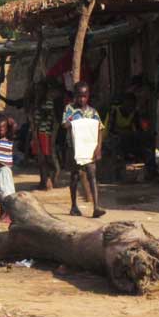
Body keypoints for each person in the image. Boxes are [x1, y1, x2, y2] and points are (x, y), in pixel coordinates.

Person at [62, 82, 105, 218]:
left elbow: (99, 129)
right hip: (73, 148)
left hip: (89, 148)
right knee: (74, 176)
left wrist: (98, 147)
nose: (82, 99)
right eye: (79, 96)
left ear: (88, 96)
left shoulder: (92, 112)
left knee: (92, 175)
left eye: (84, 96)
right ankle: (74, 205)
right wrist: (74, 123)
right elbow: (64, 124)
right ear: (75, 96)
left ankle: (96, 206)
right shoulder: (69, 109)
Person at [104, 92, 157, 180]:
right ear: (123, 103)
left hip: (126, 139)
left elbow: (138, 130)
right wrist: (126, 132)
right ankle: (117, 173)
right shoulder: (114, 111)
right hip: (110, 139)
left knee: (145, 144)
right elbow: (111, 130)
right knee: (118, 143)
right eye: (128, 105)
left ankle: (151, 171)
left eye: (132, 106)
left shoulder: (134, 113)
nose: (130, 108)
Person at [31, 79, 59, 190]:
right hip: (37, 133)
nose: (38, 92)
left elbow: (47, 115)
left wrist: (36, 108)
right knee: (40, 158)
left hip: (44, 133)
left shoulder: (47, 101)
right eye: (37, 90)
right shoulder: (37, 101)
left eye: (40, 90)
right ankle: (43, 181)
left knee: (45, 158)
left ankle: (49, 180)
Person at [0, 117, 17, 221]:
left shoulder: (8, 139)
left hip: (4, 171)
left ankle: (7, 215)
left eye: (0, 130)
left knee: (5, 194)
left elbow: (14, 127)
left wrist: (9, 121)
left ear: (6, 131)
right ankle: (1, 214)